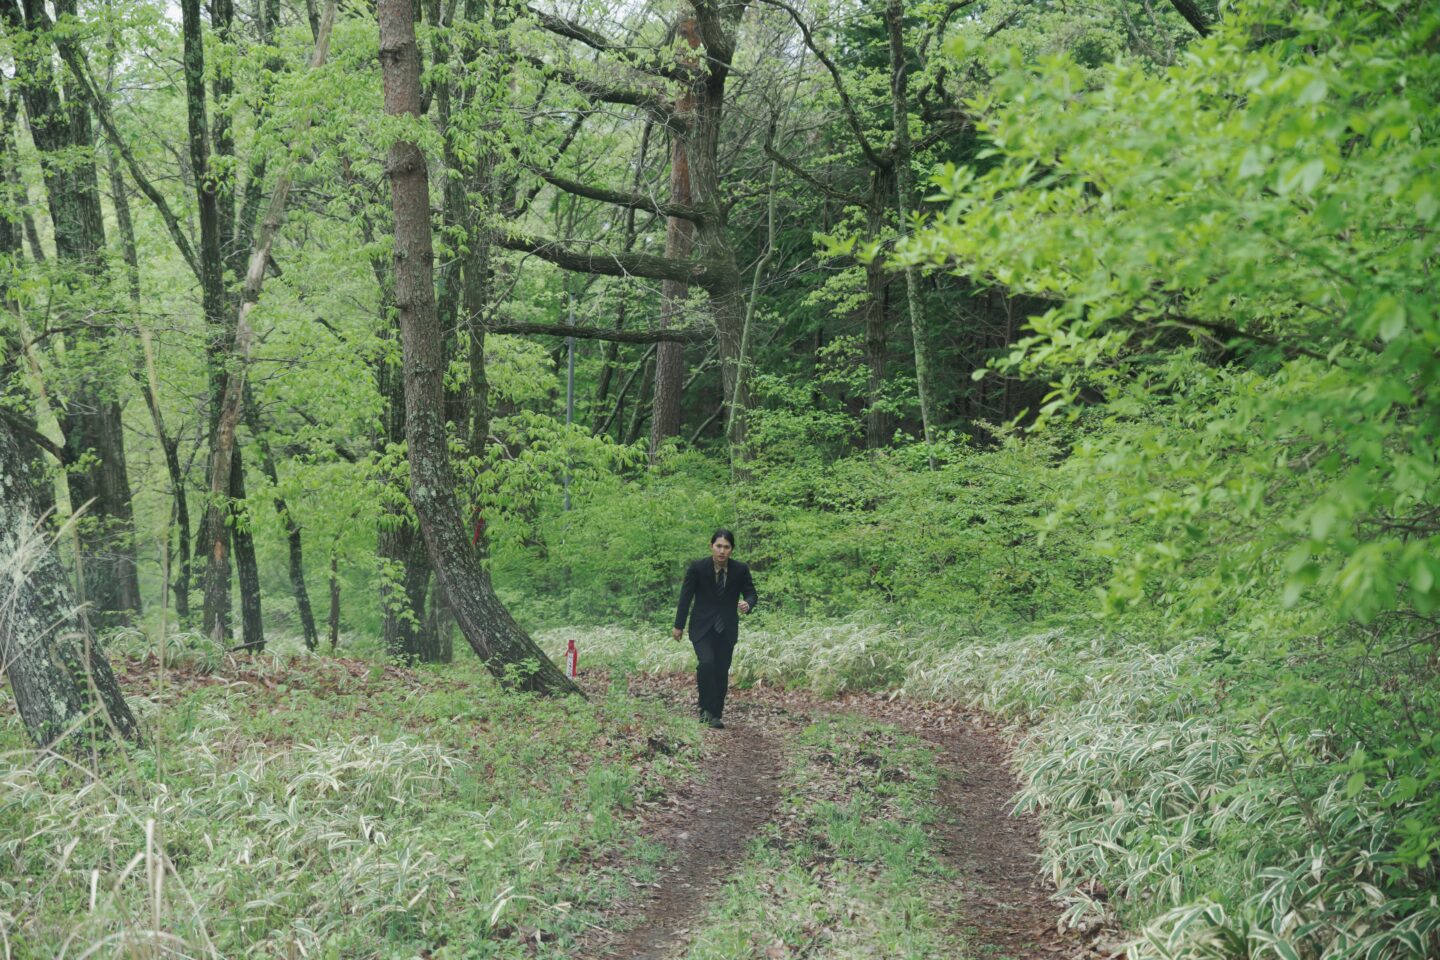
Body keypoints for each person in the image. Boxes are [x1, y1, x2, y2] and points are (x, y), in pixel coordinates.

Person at [672, 528, 757, 729]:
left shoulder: (740, 569)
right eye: (718, 546)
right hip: (702, 627)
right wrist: (678, 626)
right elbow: (685, 597)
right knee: (707, 664)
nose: (722, 551)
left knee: (721, 670)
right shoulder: (697, 568)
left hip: (727, 628)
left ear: (732, 549)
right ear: (711, 546)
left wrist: (748, 603)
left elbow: (751, 593)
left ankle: (716, 714)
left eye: (726, 547)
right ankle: (705, 710)